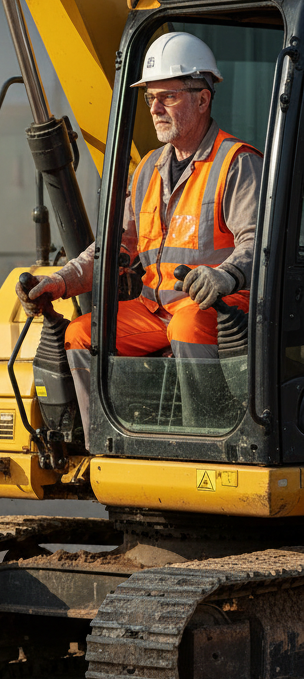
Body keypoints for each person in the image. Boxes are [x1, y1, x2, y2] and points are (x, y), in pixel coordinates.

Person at [17, 32, 262, 434]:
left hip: (221, 310)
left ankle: (207, 436)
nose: (155, 108)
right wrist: (60, 283)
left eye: (168, 96)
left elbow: (257, 244)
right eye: (150, 98)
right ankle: (108, 437)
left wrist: (222, 276)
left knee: (186, 326)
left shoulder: (236, 163)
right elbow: (115, 248)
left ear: (202, 99)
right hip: (156, 308)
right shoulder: (148, 168)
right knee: (81, 333)